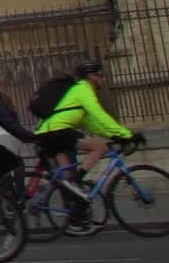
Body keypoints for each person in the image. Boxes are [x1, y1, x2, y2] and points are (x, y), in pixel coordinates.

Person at [35, 61, 141, 194]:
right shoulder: (83, 89)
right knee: (101, 147)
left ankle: (73, 208)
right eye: (100, 75)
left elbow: (92, 124)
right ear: (91, 76)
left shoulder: (79, 91)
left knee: (69, 183)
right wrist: (126, 134)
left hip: (48, 132)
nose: (103, 79)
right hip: (56, 131)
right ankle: (76, 180)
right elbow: (99, 114)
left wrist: (113, 135)